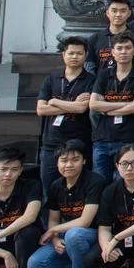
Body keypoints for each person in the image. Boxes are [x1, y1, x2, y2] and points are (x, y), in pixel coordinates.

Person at [26, 141, 104, 268]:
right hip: (67, 236)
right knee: (35, 264)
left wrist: (53, 231)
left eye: (75, 160)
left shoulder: (94, 181)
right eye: (63, 160)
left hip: (92, 235)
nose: (68, 165)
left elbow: (85, 221)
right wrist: (55, 239)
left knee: (74, 234)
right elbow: (54, 218)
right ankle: (77, 263)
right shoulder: (56, 185)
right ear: (57, 162)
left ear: (84, 161)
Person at [36, 37, 95, 191]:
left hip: (79, 144)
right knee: (49, 190)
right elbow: (41, 109)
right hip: (51, 144)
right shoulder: (51, 79)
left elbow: (82, 108)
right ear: (63, 54)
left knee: (78, 190)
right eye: (71, 53)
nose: (75, 57)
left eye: (79, 53)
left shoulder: (91, 80)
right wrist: (73, 105)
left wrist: (55, 101)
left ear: (86, 55)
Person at [89, 33, 134, 181]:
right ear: (113, 52)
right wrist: (126, 103)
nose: (123, 52)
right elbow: (93, 104)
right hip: (102, 139)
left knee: (123, 183)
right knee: (99, 183)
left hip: (128, 139)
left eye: (128, 48)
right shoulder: (104, 74)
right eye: (119, 48)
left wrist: (106, 109)